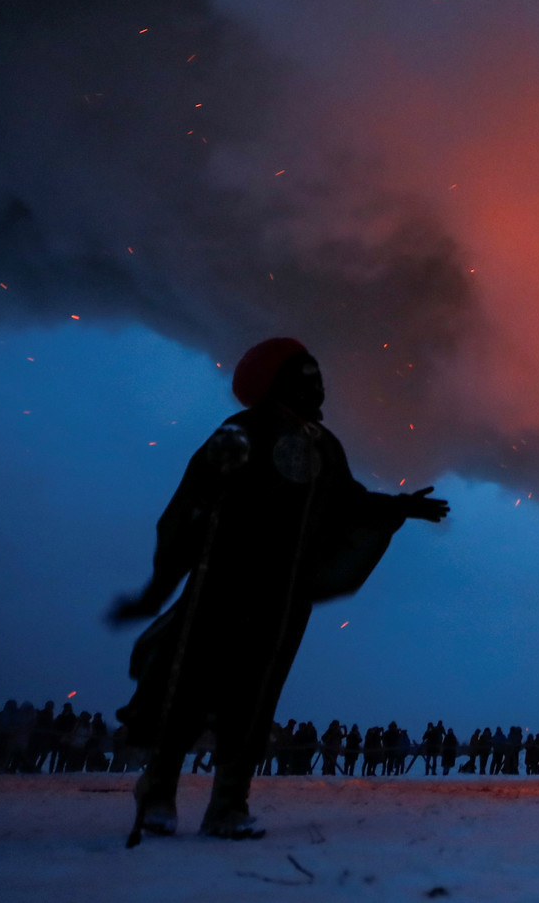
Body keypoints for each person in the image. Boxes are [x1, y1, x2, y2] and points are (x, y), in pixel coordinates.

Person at [109, 338, 450, 841]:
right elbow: (191, 505)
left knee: (255, 698)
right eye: (307, 375)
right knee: (189, 686)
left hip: (284, 598)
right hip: (223, 587)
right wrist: (161, 584)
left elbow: (346, 504)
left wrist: (399, 506)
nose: (320, 385)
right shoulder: (240, 433)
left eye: (318, 374)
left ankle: (228, 803)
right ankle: (158, 791)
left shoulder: (323, 447)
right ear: (279, 383)